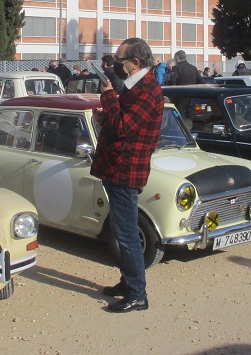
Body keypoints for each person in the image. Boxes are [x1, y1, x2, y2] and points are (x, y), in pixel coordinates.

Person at [92, 37, 163, 313]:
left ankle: (137, 294)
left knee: (127, 233)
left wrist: (108, 95)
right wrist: (104, 114)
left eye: (119, 61)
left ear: (134, 63)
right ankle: (127, 281)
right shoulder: (135, 86)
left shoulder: (147, 89)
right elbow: (121, 118)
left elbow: (123, 126)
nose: (114, 66)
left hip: (126, 170)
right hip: (117, 167)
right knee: (122, 229)